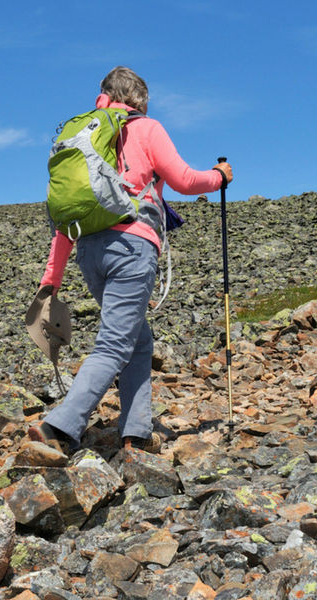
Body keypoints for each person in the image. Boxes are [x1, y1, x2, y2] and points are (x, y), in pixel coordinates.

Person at [30, 66, 233, 452]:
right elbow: (185, 180)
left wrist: (51, 277)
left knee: (138, 339)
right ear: (141, 100)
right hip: (132, 247)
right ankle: (59, 426)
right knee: (113, 345)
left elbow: (66, 217)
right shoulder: (146, 128)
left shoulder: (85, 137)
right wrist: (219, 176)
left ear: (104, 97)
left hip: (89, 251)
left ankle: (136, 432)